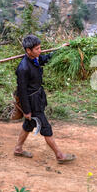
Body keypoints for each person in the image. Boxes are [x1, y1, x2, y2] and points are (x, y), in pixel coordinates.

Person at [14, 34, 75, 164]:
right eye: (37, 49)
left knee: (28, 124)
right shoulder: (23, 68)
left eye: (40, 48)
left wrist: (60, 49)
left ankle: (18, 149)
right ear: (28, 50)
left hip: (38, 96)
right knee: (45, 127)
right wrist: (26, 111)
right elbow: (22, 92)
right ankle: (59, 155)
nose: (40, 51)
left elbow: (46, 58)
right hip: (31, 102)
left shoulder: (35, 59)